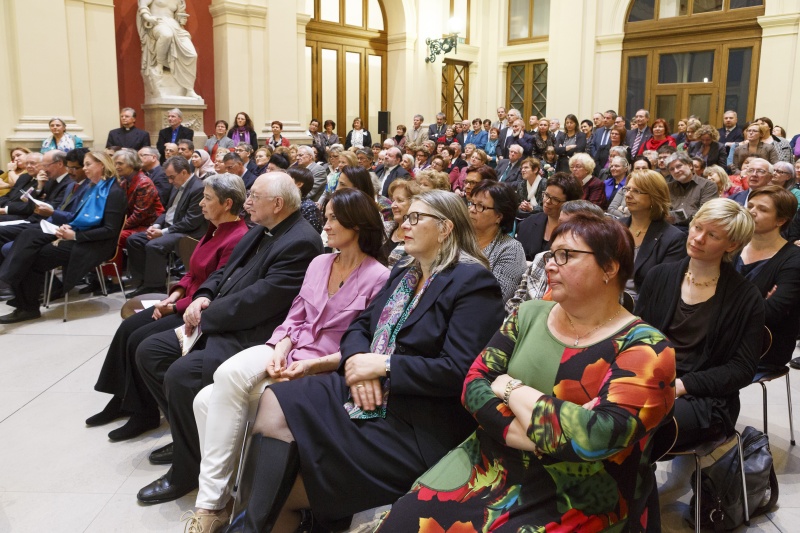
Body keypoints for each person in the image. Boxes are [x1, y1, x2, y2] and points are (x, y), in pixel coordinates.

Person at [378, 214, 676, 533]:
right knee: (405, 520)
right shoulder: (529, 314)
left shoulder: (647, 348)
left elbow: (594, 438)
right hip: (490, 460)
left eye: (566, 255)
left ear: (609, 268)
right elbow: (473, 385)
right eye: (551, 254)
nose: (549, 264)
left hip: (581, 487)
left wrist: (508, 387)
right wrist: (547, 434)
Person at [227, 190, 504, 532]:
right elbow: (360, 326)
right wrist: (360, 364)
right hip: (370, 388)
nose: (404, 224)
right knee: (276, 399)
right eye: (406, 217)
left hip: (416, 420)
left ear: (445, 228)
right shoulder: (406, 270)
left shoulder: (473, 281)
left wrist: (385, 367)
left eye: (416, 218)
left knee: (284, 489)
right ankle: (249, 524)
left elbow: (459, 371)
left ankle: (248, 525)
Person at [180, 188, 389, 531]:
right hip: (289, 349)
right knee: (218, 384)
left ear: (358, 223)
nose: (327, 223)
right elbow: (296, 315)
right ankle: (218, 501)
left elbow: (364, 342)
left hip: (324, 367)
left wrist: (314, 365)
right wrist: (280, 345)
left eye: (335, 217)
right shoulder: (321, 262)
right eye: (328, 215)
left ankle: (232, 503)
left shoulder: (378, 276)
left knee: (208, 401)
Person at [134, 172, 324, 504]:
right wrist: (202, 295)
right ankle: (189, 437)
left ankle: (186, 471)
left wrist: (208, 317)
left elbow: (263, 300)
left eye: (254, 196)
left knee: (179, 376)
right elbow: (225, 271)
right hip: (221, 316)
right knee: (149, 351)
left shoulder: (301, 241)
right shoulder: (261, 229)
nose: (246, 201)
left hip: (250, 333)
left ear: (277, 204)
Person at [87, 173, 249, 440]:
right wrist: (172, 295)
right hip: (183, 301)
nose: (201, 204)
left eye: (207, 199)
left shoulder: (237, 238)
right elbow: (192, 271)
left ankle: (145, 413)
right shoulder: (214, 228)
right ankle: (121, 399)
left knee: (140, 339)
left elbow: (214, 288)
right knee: (128, 328)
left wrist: (174, 308)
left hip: (197, 312)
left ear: (227, 203)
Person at [636, 198, 762, 448]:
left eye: (712, 235)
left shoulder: (745, 296)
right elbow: (636, 337)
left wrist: (682, 385)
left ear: (732, 245)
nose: (698, 238)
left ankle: (632, 485)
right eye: (697, 227)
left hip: (705, 397)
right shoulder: (659, 276)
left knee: (638, 425)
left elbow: (741, 369)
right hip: (653, 379)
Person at [0, 152, 127, 323]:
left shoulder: (114, 192)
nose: (85, 168)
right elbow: (80, 216)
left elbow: (110, 230)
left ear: (101, 165)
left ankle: (24, 304)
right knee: (30, 233)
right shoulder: (93, 187)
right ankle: (8, 286)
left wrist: (75, 234)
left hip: (94, 244)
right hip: (79, 235)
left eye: (88, 164)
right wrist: (70, 226)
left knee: (33, 255)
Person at [734, 186, 800, 367]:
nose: (752, 212)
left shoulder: (794, 259)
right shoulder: (734, 245)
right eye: (751, 206)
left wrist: (722, 300)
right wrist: (758, 301)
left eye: (762, 209)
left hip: (765, 345)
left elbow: (770, 313)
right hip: (722, 334)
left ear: (781, 220)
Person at [125, 156, 207, 296]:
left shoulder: (198, 188)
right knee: (134, 240)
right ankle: (142, 280)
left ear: (183, 172)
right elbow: (167, 211)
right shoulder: (177, 185)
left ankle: (155, 286)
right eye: (168, 177)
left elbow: (191, 222)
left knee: (155, 245)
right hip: (171, 227)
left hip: (188, 233)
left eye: (172, 177)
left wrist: (162, 232)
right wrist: (156, 225)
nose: (170, 181)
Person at [620, 169, 687, 301]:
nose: (628, 195)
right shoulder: (616, 227)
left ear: (655, 196)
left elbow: (662, 289)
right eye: (627, 189)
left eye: (636, 191)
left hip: (641, 307)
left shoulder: (673, 238)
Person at [468, 181, 527, 303]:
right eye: (472, 203)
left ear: (499, 216)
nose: (472, 210)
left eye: (480, 206)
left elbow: (495, 297)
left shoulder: (510, 249)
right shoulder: (458, 237)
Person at [137, 0, 199, 98]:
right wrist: (148, 17)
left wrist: (182, 18)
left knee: (192, 55)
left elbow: (180, 14)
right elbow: (143, 5)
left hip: (175, 26)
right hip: (158, 23)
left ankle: (189, 89)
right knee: (166, 35)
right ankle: (160, 64)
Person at [515, 172, 583, 261]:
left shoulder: (578, 232)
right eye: (546, 195)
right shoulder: (527, 223)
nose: (547, 201)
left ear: (570, 203)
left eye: (555, 199)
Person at [666, 152, 718, 228]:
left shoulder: (708, 185)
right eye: (672, 169)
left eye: (679, 166)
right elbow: (665, 210)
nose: (676, 171)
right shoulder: (668, 187)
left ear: (690, 165)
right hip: (671, 228)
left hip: (695, 228)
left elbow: (706, 214)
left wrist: (677, 218)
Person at [381, 178, 421, 266]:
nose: (393, 205)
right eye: (393, 200)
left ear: (414, 203)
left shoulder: (418, 238)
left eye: (400, 201)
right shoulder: (383, 228)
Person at [285, 166, 323, 234]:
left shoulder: (309, 207)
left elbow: (310, 235)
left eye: (286, 179)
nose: (281, 182)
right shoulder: (282, 201)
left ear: (299, 184)